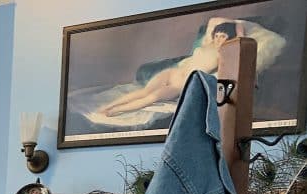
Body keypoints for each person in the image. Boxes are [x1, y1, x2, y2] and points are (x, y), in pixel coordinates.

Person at [98, 17, 285, 118]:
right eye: (217, 35)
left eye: (223, 36)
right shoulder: (207, 44)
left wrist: (237, 26)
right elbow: (214, 20)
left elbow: (241, 38)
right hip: (173, 72)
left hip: (180, 84)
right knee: (144, 91)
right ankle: (109, 106)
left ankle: (113, 112)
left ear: (229, 37)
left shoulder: (225, 54)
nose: (218, 38)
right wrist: (228, 25)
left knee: (151, 97)